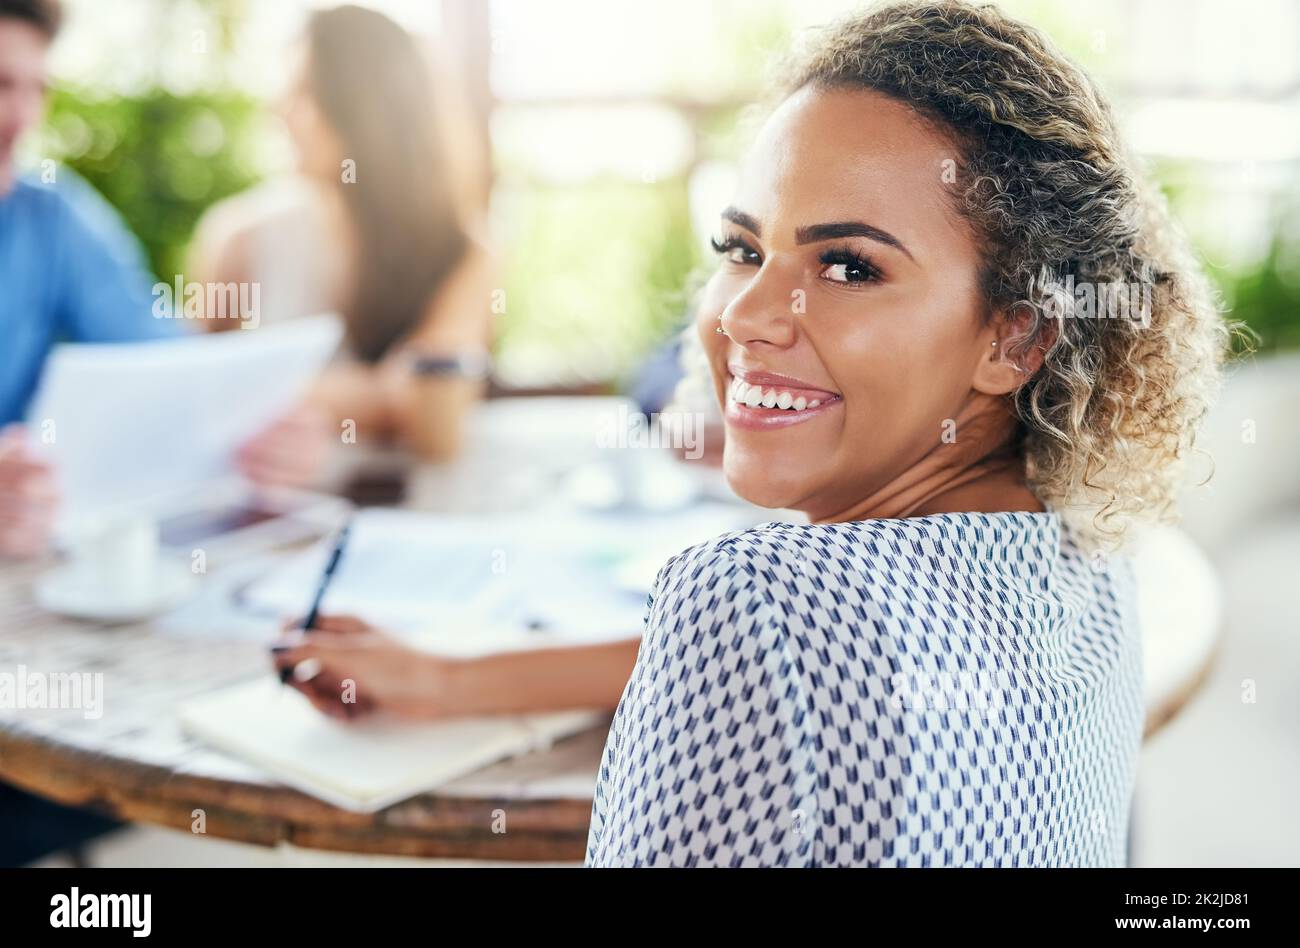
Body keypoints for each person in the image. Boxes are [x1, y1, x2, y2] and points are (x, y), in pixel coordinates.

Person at [274, 0, 1229, 867]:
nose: (744, 315)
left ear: (1016, 333)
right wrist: (448, 677)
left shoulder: (752, 601)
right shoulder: (1089, 554)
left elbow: (763, 644)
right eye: (743, 249)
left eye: (850, 267)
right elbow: (803, 666)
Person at [0, 0, 328, 561]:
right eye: (2, 85)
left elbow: (168, 367)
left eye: (38, 89)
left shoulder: (49, 217)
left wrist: (255, 434)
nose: (22, 116)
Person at [189, 4, 494, 462]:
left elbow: (435, 424)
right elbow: (193, 398)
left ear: (371, 110)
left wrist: (267, 390)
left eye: (307, 94)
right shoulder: (240, 240)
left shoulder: (461, 247)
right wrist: (377, 393)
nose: (281, 113)